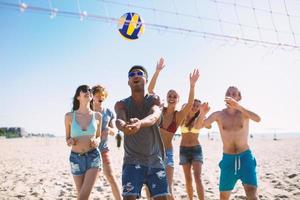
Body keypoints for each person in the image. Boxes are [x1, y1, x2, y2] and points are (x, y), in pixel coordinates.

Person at [148, 58, 200, 200]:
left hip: (167, 154)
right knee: (149, 189)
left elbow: (190, 104)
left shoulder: (179, 116)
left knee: (168, 190)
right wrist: (157, 71)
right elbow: (150, 90)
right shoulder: (159, 109)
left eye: (174, 96)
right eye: (169, 95)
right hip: (152, 152)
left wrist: (192, 85)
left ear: (178, 99)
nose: (171, 98)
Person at [115, 65, 168, 200]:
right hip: (132, 161)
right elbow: (119, 120)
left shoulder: (154, 99)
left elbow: (154, 116)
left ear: (146, 79)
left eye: (139, 73)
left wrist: (139, 123)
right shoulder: (121, 104)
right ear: (128, 82)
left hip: (155, 161)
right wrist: (124, 126)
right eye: (131, 75)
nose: (135, 76)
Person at [201, 86, 261, 200]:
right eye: (228, 93)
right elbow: (200, 125)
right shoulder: (218, 114)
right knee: (224, 196)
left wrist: (238, 107)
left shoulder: (244, 113)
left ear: (239, 97)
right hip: (228, 159)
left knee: (252, 193)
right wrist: (201, 113)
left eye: (234, 94)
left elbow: (258, 119)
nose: (230, 95)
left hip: (245, 157)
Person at [64, 85, 102, 200]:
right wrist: (70, 141)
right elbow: (67, 139)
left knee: (83, 196)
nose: (88, 92)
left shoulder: (97, 116)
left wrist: (96, 141)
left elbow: (99, 137)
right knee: (81, 194)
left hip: (93, 157)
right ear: (77, 97)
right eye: (84, 90)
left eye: (90, 91)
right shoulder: (69, 116)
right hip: (75, 159)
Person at [91, 85, 122, 200]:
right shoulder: (88, 111)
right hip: (89, 150)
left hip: (103, 149)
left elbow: (114, 130)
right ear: (92, 96)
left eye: (102, 95)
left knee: (111, 176)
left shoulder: (108, 112)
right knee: (87, 182)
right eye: (97, 94)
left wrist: (109, 130)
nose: (100, 97)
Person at [179, 99, 209, 200]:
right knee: (188, 179)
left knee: (197, 178)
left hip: (196, 150)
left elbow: (209, 126)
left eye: (197, 106)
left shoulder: (199, 118)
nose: (195, 107)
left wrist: (203, 116)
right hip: (183, 150)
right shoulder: (182, 118)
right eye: (193, 105)